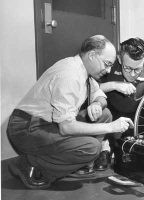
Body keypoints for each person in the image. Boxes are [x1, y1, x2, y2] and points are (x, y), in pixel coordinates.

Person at [6, 35, 134, 189]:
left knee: (104, 114)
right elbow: (66, 127)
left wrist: (97, 104)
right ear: (92, 55)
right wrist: (112, 127)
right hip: (26, 128)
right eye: (106, 64)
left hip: (48, 124)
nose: (107, 71)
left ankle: (75, 164)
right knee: (91, 148)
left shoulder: (84, 71)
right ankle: (29, 165)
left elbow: (101, 96)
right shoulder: (70, 74)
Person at [96, 37, 144, 170]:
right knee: (102, 113)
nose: (132, 74)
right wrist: (114, 85)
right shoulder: (109, 67)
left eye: (137, 69)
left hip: (134, 113)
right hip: (111, 111)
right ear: (119, 59)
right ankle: (106, 148)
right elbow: (90, 90)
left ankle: (121, 146)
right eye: (127, 68)